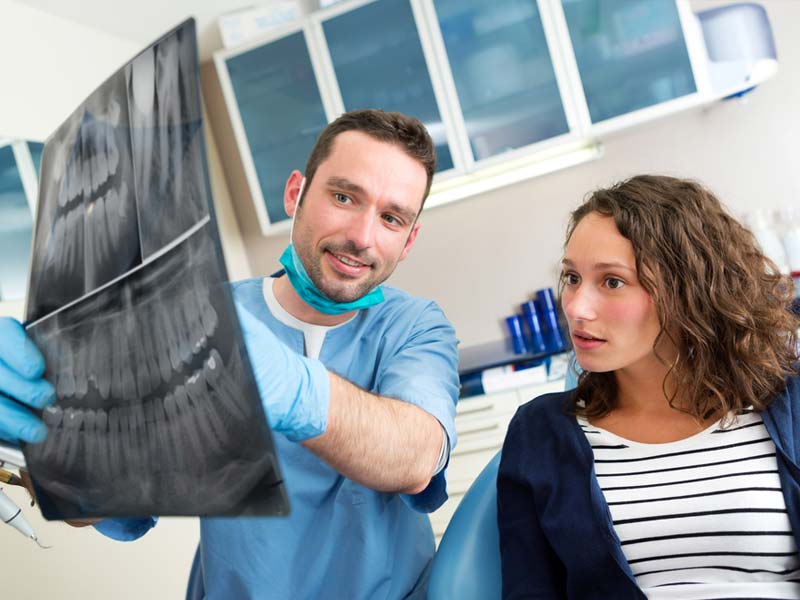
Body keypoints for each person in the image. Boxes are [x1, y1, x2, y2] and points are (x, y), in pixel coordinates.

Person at [0, 109, 460, 599]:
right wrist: (45, 444)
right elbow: (109, 499)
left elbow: (415, 458)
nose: (362, 237)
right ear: (296, 193)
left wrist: (292, 387)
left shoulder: (417, 328)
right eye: (344, 197)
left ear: (408, 241)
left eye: (391, 218)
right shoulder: (193, 322)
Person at [497, 175, 800, 599]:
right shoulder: (541, 433)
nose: (577, 307)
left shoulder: (786, 404)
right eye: (571, 278)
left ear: (688, 290)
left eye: (612, 282)